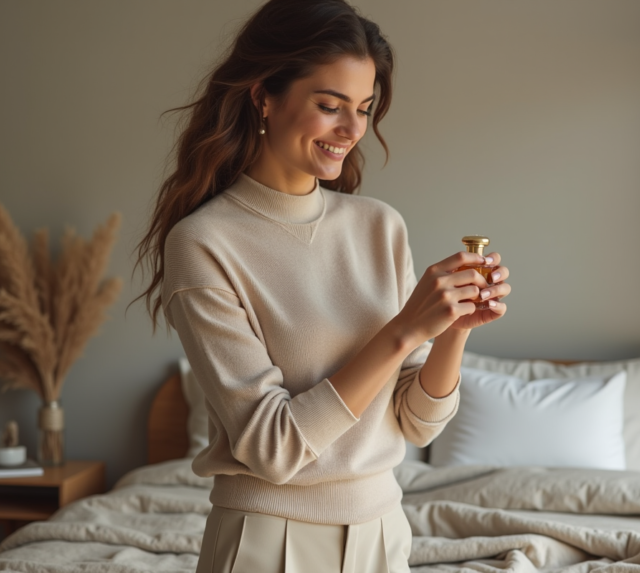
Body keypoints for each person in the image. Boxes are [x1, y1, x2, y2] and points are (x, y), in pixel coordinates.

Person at [133, 1, 511, 571]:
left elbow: (417, 421)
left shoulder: (379, 226)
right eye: (330, 106)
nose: (353, 129)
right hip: (267, 541)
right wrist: (404, 328)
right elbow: (272, 446)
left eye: (363, 108)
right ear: (264, 96)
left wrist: (453, 329)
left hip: (383, 534)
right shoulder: (205, 242)